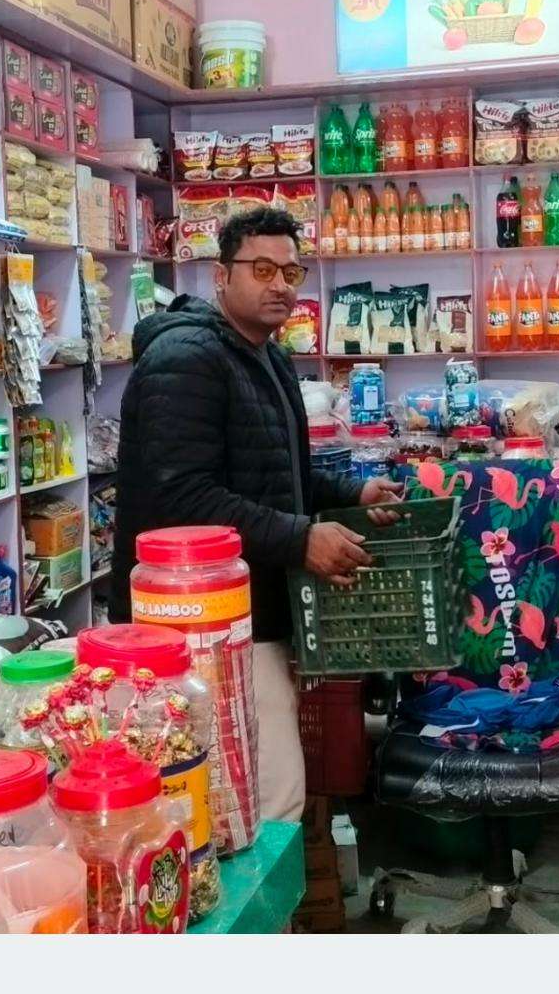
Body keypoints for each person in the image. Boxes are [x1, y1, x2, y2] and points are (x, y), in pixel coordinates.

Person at [109, 206, 401, 824]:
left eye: (291, 272)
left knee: (252, 795)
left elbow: (276, 474)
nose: (280, 286)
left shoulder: (267, 356)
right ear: (221, 276)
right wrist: (300, 539)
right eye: (262, 269)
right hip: (200, 622)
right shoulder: (186, 360)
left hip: (251, 608)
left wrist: (351, 494)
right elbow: (181, 500)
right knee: (263, 799)